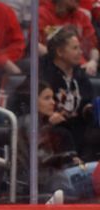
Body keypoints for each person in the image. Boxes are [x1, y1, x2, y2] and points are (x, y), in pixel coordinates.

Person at [40, 26, 98, 161]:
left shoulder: (79, 74)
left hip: (79, 127)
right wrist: (46, 117)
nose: (80, 52)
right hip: (54, 128)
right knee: (62, 134)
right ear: (60, 51)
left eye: (79, 47)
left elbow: (86, 101)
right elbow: (29, 104)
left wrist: (89, 108)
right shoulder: (43, 73)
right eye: (75, 48)